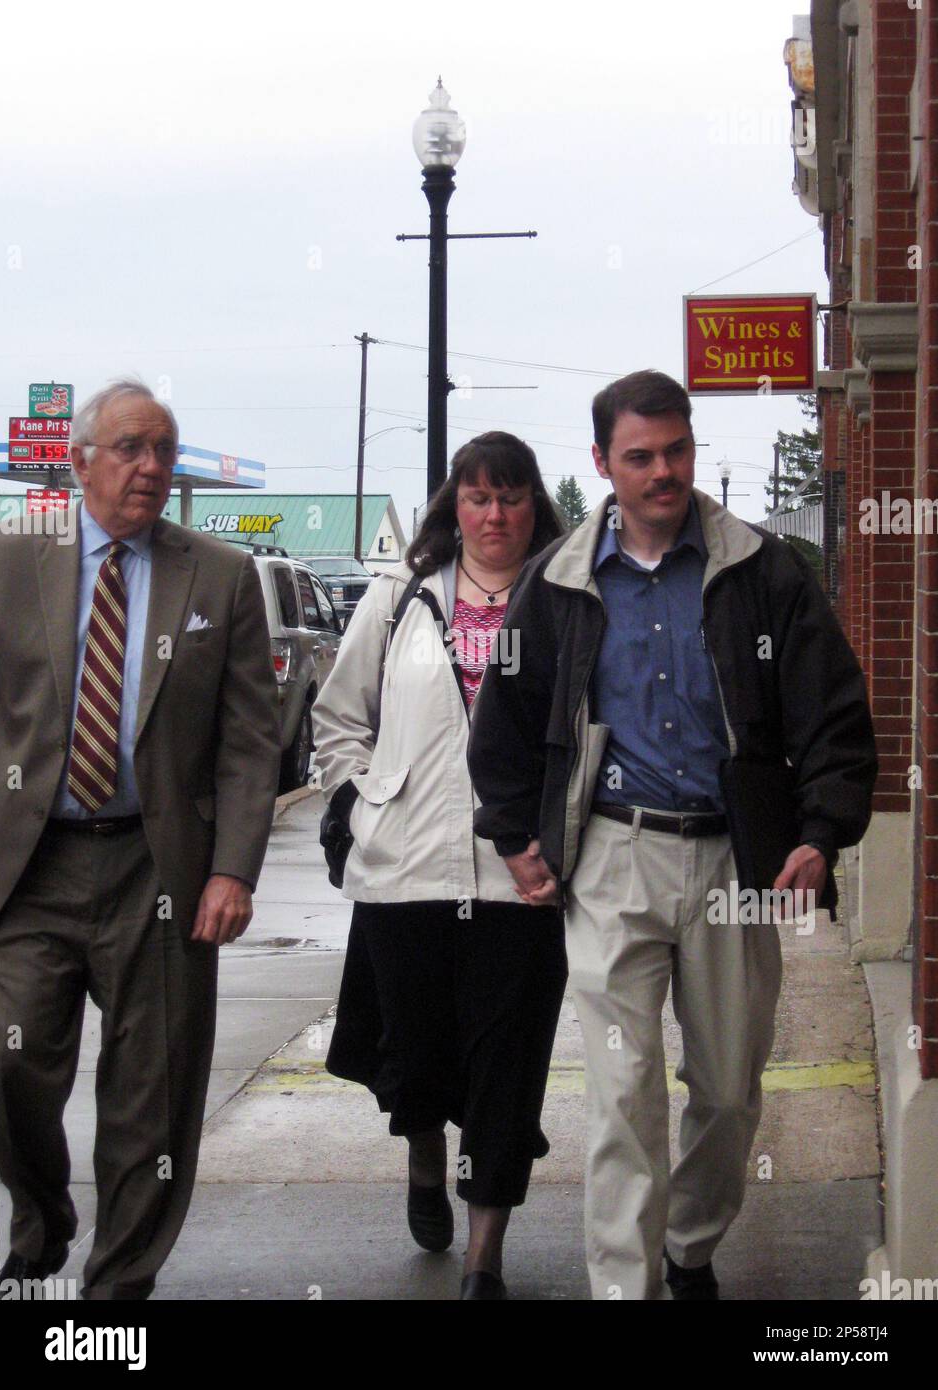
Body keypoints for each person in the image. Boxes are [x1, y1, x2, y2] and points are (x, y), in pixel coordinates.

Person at [468, 370, 878, 1301]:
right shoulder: (557, 583)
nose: (662, 471)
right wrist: (514, 835)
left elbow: (832, 714)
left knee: (729, 1091)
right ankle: (624, 1290)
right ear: (603, 464)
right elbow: (503, 719)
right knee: (622, 1097)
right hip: (613, 861)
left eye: (676, 450)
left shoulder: (763, 570)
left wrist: (820, 830)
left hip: (735, 861)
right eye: (639, 456)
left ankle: (687, 1246)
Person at [0, 379, 280, 1300]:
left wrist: (232, 868)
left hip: (157, 868)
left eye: (163, 449)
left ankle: (117, 1291)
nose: (151, 467)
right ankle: (42, 1218)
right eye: (129, 448)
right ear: (80, 461)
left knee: (151, 1093)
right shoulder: (11, 561)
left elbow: (248, 739)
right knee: (8, 1060)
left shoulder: (219, 575)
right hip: (29, 866)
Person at [313, 432, 566, 1300]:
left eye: (511, 495)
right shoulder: (399, 598)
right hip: (405, 877)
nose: (494, 514)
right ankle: (423, 1152)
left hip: (519, 882)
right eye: (477, 496)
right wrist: (360, 804)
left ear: (535, 505)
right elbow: (338, 718)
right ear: (452, 507)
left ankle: (483, 1255)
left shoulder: (567, 598)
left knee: (508, 1070)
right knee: (413, 1055)